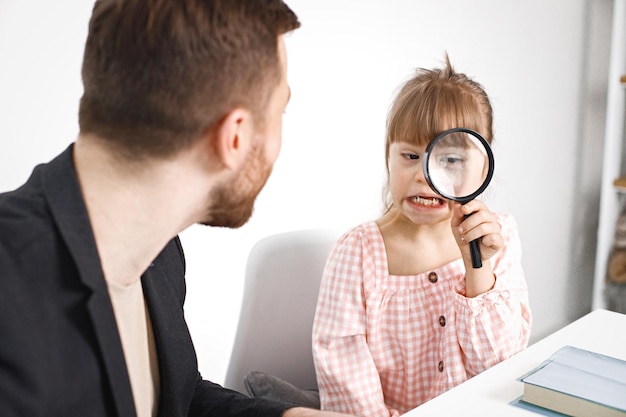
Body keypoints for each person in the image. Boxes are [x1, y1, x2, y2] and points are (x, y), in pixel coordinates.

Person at [0, 1, 354, 417]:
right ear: (235, 137)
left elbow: (177, 397)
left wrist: (287, 416)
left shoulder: (159, 250)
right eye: (281, 110)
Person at [312, 56, 533, 417]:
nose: (425, 176)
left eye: (450, 161)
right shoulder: (358, 253)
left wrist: (478, 266)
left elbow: (500, 368)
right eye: (411, 156)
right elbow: (347, 386)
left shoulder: (499, 237)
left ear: (482, 167)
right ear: (388, 157)